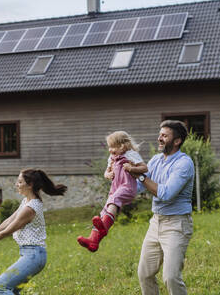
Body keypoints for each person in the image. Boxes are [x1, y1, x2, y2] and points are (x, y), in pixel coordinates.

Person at [125, 120, 194, 295]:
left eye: (164, 135)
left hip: (176, 226)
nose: (159, 138)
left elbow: (166, 194)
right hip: (156, 223)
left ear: (177, 141)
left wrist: (139, 176)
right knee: (144, 274)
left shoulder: (184, 163)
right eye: (160, 134)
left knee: (170, 277)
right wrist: (121, 176)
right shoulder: (156, 160)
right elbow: (140, 187)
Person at [0, 169, 67, 295]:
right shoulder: (26, 202)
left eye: (19, 182)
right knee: (11, 290)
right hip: (31, 254)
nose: (16, 184)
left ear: (30, 185)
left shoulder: (30, 208)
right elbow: (8, 221)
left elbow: (7, 231)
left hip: (34, 256)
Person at [77, 131, 148, 252]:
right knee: (104, 212)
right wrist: (108, 174)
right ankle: (93, 241)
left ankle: (104, 226)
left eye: (113, 147)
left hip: (128, 188)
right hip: (115, 188)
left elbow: (144, 168)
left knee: (113, 201)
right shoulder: (112, 158)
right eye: (109, 147)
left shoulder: (131, 154)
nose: (110, 150)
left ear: (123, 146)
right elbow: (106, 172)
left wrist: (131, 168)